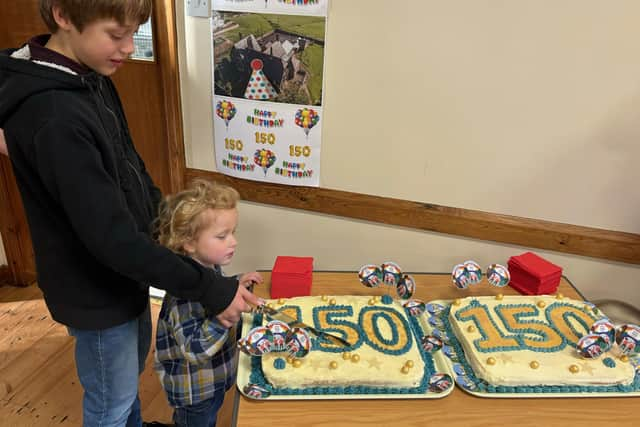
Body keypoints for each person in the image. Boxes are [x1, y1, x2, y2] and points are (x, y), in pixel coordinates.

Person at [0, 1, 261, 426]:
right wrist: (209, 290)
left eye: (133, 34)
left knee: (127, 382)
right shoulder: (54, 114)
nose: (127, 49)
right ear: (64, 16)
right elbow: (111, 239)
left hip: (125, 276)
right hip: (96, 292)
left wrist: (170, 228)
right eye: (115, 35)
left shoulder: (91, 76)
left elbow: (129, 166)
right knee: (112, 401)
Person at [154, 179, 263, 427]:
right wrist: (224, 320)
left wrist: (236, 284)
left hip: (214, 378)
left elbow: (217, 292)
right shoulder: (182, 296)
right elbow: (193, 349)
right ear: (189, 242)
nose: (233, 242)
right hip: (195, 391)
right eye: (222, 236)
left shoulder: (207, 268)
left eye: (233, 233)